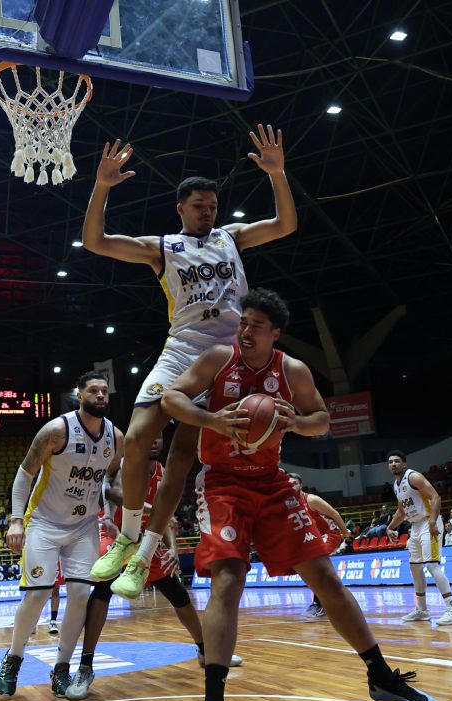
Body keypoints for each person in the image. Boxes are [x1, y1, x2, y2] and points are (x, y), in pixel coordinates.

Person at [160, 288, 438, 701]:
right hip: (223, 483)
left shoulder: (292, 370)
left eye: (256, 326)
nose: (246, 331)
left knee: (325, 577)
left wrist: (296, 423)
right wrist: (211, 419)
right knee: (228, 580)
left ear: (276, 333)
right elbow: (171, 398)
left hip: (272, 483)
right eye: (243, 323)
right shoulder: (218, 359)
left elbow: (323, 419)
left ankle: (380, 677)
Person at [84, 125, 298, 600]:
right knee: (137, 438)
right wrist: (102, 186)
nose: (208, 213)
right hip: (182, 349)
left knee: (181, 461)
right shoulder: (162, 247)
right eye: (200, 206)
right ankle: (127, 537)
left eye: (213, 207)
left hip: (227, 357)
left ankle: (144, 557)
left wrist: (277, 174)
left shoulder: (231, 237)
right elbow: (96, 241)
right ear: (180, 208)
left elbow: (285, 224)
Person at [64, 436, 244, 701]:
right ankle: (85, 667)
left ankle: (205, 651)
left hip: (147, 539)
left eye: (159, 437)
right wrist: (155, 509)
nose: (154, 441)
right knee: (102, 591)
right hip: (117, 535)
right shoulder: (127, 463)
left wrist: (173, 550)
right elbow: (115, 494)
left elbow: (166, 519)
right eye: (150, 435)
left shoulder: (163, 471)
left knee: (178, 595)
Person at [0, 371, 123, 700]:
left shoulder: (116, 437)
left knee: (80, 594)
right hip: (44, 522)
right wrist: (16, 521)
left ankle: (62, 669)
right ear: (79, 395)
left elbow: (107, 481)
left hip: (84, 526)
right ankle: (13, 658)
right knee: (38, 594)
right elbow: (25, 473)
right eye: (93, 391)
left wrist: (108, 516)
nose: (100, 396)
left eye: (104, 391)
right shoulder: (56, 430)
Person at [384, 452, 452, 625]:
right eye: (390, 462)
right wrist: (390, 527)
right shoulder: (396, 485)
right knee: (415, 568)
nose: (393, 464)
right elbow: (401, 511)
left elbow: (436, 497)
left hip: (428, 522)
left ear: (404, 464)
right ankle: (422, 610)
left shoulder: (414, 477)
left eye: (397, 461)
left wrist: (433, 521)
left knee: (432, 565)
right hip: (415, 526)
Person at [287, 472, 349, 620]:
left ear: (301, 485)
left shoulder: (311, 500)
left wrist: (345, 531)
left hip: (329, 533)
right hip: (313, 537)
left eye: (294, 483)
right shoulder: (289, 503)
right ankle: (329, 599)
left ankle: (319, 605)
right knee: (312, 569)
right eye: (288, 484)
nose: (291, 486)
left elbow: (334, 513)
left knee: (316, 565)